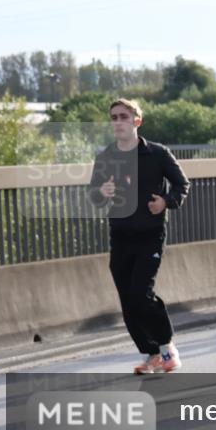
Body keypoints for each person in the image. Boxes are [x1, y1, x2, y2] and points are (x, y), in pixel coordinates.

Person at [88, 98, 190, 374]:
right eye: (114, 117)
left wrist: (165, 202)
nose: (118, 121)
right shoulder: (106, 157)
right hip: (120, 235)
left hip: (150, 234)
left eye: (123, 116)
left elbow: (182, 185)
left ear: (137, 121)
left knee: (141, 293)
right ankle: (151, 353)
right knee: (127, 299)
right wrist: (102, 193)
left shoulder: (157, 153)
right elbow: (94, 195)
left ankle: (167, 347)